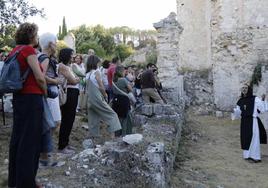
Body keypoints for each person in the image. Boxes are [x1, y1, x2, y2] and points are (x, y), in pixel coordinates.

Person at [8, 22, 47, 188]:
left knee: (18, 139)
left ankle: (15, 180)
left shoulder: (14, 51)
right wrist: (45, 91)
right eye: (36, 34)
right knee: (30, 141)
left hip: (19, 98)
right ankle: (26, 183)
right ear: (32, 36)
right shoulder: (29, 50)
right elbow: (39, 77)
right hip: (32, 99)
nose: (38, 37)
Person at [86, 55, 121, 139]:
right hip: (97, 98)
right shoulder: (96, 72)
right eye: (98, 61)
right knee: (112, 115)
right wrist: (105, 95)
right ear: (95, 62)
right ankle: (113, 138)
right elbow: (101, 86)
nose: (99, 63)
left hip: (90, 99)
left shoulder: (87, 73)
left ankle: (92, 139)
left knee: (93, 119)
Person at [38, 32, 60, 167]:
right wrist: (55, 81)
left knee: (49, 125)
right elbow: (41, 75)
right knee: (53, 123)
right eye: (55, 42)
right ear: (51, 43)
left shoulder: (39, 55)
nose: (56, 44)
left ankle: (45, 155)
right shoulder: (45, 57)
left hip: (46, 94)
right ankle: (44, 155)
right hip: (49, 94)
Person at [232, 84, 267, 163]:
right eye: (243, 88)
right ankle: (247, 155)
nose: (244, 89)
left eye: (245, 88)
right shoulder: (240, 100)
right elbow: (238, 112)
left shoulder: (255, 99)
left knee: (254, 138)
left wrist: (263, 100)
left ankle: (255, 157)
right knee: (245, 138)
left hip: (252, 121)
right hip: (244, 122)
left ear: (249, 89)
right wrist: (234, 111)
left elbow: (262, 109)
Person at [58, 48, 80, 154]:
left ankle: (66, 143)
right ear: (66, 55)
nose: (73, 57)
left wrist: (75, 79)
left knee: (70, 119)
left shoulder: (68, 67)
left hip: (72, 93)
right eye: (72, 55)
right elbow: (74, 81)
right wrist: (75, 79)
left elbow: (75, 79)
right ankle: (62, 146)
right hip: (69, 93)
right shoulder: (63, 66)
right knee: (67, 119)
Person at [112, 66, 134, 136]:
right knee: (125, 119)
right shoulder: (123, 80)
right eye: (124, 71)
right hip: (124, 100)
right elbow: (130, 90)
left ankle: (117, 135)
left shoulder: (113, 80)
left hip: (115, 101)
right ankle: (124, 136)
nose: (125, 73)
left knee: (117, 119)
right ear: (121, 72)